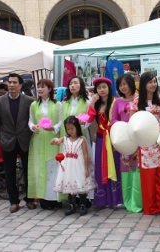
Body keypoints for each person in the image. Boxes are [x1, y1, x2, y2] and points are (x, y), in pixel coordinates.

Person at [0, 73, 36, 213]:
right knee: (10, 173)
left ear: (20, 85)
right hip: (7, 142)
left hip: (25, 140)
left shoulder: (29, 101)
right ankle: (14, 201)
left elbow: (33, 120)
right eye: (9, 82)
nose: (11, 85)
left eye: (14, 82)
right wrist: (0, 140)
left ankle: (29, 199)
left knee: (29, 171)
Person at [130, 72, 160, 215]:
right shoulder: (137, 102)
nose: (153, 84)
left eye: (154, 81)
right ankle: (151, 207)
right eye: (150, 82)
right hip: (145, 144)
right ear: (143, 85)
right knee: (148, 178)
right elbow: (132, 124)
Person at [86, 77, 123, 208]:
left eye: (104, 87)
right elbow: (89, 119)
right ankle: (104, 199)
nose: (102, 90)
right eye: (99, 88)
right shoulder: (95, 103)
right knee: (101, 167)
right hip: (101, 139)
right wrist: (91, 103)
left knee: (115, 165)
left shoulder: (116, 102)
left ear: (109, 89)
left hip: (113, 138)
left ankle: (116, 198)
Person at [28, 79, 62, 210]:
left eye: (43, 87)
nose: (40, 89)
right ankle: (43, 198)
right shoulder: (33, 105)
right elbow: (30, 121)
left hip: (52, 139)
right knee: (40, 168)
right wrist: (33, 127)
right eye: (38, 87)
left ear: (50, 89)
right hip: (38, 139)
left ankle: (55, 198)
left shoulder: (58, 104)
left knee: (53, 167)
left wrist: (53, 128)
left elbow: (61, 122)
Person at [52, 116, 97, 216]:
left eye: (72, 128)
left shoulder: (82, 139)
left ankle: (82, 204)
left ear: (77, 127)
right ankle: (71, 205)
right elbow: (55, 142)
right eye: (68, 129)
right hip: (67, 165)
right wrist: (55, 140)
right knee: (70, 183)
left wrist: (86, 168)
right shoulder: (65, 138)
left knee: (80, 183)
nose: (70, 131)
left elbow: (85, 154)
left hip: (79, 165)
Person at [111, 73, 142, 213]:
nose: (123, 87)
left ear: (131, 83)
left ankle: (138, 201)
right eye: (121, 85)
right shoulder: (117, 102)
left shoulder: (139, 99)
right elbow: (113, 119)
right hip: (125, 140)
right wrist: (122, 126)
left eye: (125, 84)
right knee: (125, 169)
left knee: (137, 168)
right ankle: (128, 200)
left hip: (138, 139)